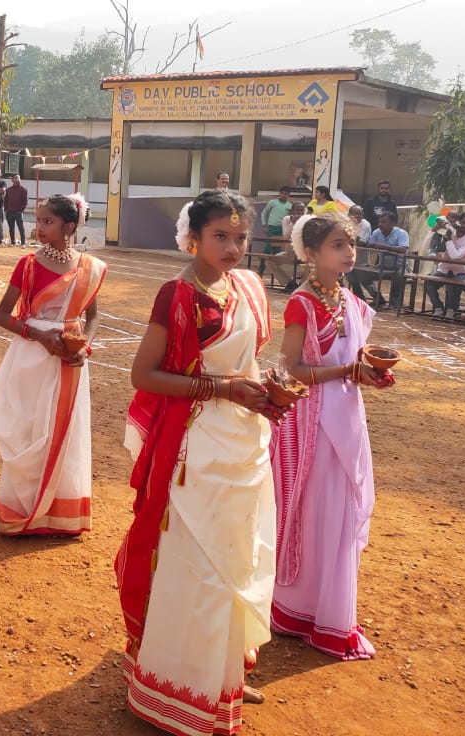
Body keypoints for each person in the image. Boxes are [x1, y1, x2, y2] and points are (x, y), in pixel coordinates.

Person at [116, 189, 281, 732]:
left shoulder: (249, 286)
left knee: (237, 557)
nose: (232, 247)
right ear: (193, 238)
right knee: (196, 562)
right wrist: (222, 389)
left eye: (240, 237)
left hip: (244, 442)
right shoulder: (177, 294)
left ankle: (225, 672)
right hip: (194, 445)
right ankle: (177, 685)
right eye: (220, 236)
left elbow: (249, 362)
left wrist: (266, 392)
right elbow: (144, 375)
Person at [271, 212, 391, 661]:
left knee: (339, 509)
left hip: (346, 416)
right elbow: (291, 369)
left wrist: (370, 374)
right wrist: (347, 372)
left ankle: (329, 610)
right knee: (316, 510)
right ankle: (298, 609)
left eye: (351, 244)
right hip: (311, 422)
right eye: (338, 245)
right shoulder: (302, 303)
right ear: (310, 252)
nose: (349, 252)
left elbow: (353, 358)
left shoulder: (349, 300)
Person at [0, 194, 105, 535]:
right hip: (31, 357)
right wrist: (39, 335)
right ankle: (22, 507)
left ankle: (60, 514)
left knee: (65, 430)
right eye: (38, 221)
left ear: (69, 226)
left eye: (48, 222)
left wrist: (85, 346)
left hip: (70, 361)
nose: (39, 227)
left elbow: (94, 317)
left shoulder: (90, 268)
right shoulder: (28, 265)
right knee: (28, 428)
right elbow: (2, 316)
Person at [425, 212, 465, 319]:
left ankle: (451, 311)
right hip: (443, 269)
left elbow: (456, 256)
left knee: (453, 284)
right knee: (429, 283)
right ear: (458, 222)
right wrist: (435, 228)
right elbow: (426, 244)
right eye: (463, 223)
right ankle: (438, 307)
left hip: (461, 272)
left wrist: (448, 239)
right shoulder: (449, 230)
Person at [364, 211, 409, 309]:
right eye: (379, 222)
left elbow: (403, 249)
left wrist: (384, 247)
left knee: (400, 275)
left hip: (399, 266)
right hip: (382, 265)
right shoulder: (376, 232)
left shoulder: (401, 233)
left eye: (384, 222)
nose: (380, 224)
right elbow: (370, 246)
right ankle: (378, 297)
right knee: (362, 274)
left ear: (393, 223)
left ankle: (395, 302)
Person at [260, 187, 292, 263]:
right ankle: (262, 267)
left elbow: (290, 219)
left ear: (288, 195)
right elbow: (264, 213)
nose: (284, 195)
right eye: (282, 193)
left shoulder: (290, 206)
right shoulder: (272, 202)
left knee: (277, 251)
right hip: (271, 228)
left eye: (286, 194)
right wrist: (264, 225)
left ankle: (273, 269)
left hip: (281, 229)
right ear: (279, 194)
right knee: (267, 249)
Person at [3, 173, 29, 247]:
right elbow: (6, 200)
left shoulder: (23, 189)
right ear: (12, 180)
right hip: (9, 212)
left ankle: (23, 243)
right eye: (15, 178)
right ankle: (13, 242)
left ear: (20, 180)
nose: (17, 180)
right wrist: (6, 209)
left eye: (18, 178)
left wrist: (21, 210)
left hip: (18, 213)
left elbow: (25, 201)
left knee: (21, 228)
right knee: (11, 228)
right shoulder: (8, 190)